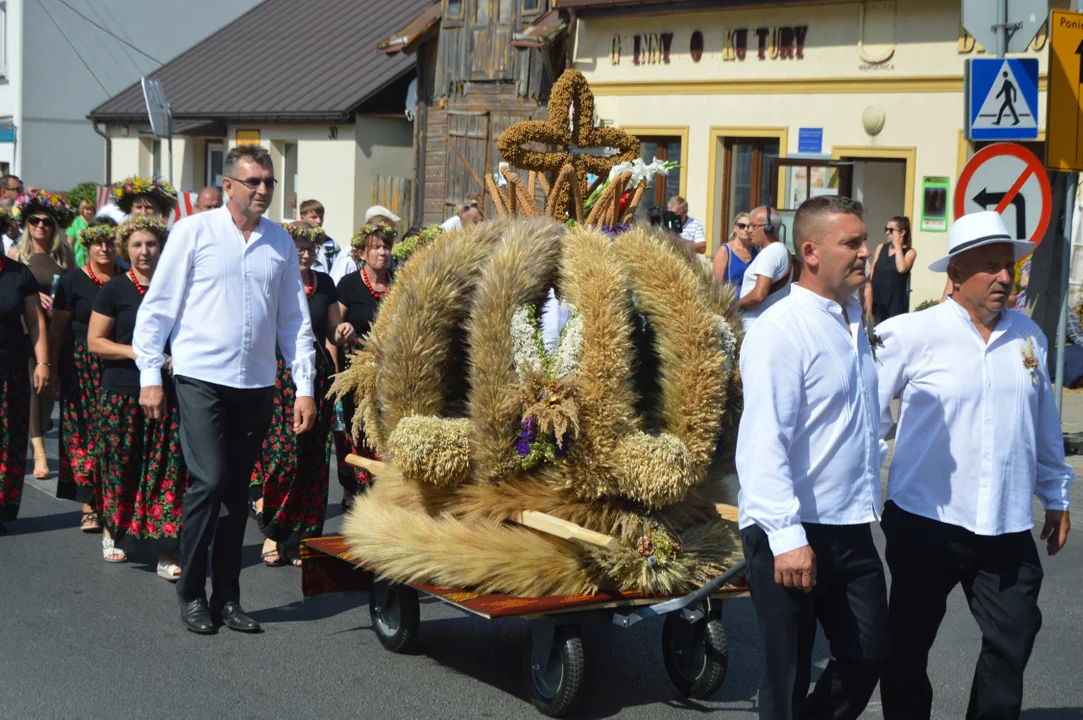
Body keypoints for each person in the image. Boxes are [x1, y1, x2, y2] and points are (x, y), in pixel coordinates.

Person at [875, 210, 1074, 720]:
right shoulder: (910, 334)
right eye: (991, 267)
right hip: (926, 520)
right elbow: (868, 421)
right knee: (906, 648)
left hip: (1004, 524)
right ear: (957, 274)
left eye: (1009, 267)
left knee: (1014, 637)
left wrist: (1056, 496)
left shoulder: (1030, 338)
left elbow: (1044, 425)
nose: (1006, 278)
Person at [133, 144, 316, 635]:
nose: (262, 191)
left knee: (238, 494)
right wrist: (151, 376)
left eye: (269, 183)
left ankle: (228, 598)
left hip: (255, 383)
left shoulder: (278, 242)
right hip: (199, 378)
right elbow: (158, 308)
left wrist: (304, 387)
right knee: (209, 482)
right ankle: (191, 592)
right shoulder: (194, 231)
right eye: (253, 181)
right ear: (229, 185)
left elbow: (294, 322)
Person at [736, 195, 885, 720]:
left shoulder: (851, 322)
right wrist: (787, 537)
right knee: (788, 674)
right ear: (811, 252)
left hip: (850, 527)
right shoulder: (781, 330)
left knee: (868, 654)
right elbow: (763, 442)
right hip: (790, 531)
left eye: (866, 240)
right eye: (853, 242)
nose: (868, 251)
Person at [87, 216, 188, 578]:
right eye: (136, 245)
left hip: (170, 394)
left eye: (151, 244)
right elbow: (95, 342)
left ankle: (164, 551)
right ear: (124, 250)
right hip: (122, 394)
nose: (144, 252)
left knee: (167, 471)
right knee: (122, 466)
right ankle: (113, 530)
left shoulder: (177, 287)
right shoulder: (114, 289)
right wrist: (140, 353)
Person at [251, 221, 355, 567]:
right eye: (298, 246)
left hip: (317, 373)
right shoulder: (276, 278)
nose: (305, 253)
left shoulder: (324, 283)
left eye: (310, 248)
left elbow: (330, 333)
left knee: (312, 457)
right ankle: (273, 533)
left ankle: (303, 537)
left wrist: (341, 332)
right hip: (278, 371)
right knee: (281, 455)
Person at [50, 218, 120, 533]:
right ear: (87, 245)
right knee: (83, 433)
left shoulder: (129, 278)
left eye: (109, 242)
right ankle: (89, 504)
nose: (104, 248)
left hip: (119, 365)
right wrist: (49, 368)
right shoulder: (71, 281)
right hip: (80, 365)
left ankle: (116, 502)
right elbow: (57, 329)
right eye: (97, 242)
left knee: (116, 433)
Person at [7, 190, 75, 480]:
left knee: (49, 387)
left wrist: (58, 301)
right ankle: (38, 451)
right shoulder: (16, 255)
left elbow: (72, 286)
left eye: (46, 222)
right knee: (36, 384)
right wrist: (36, 298)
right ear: (26, 224)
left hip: (58, 326)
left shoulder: (64, 253)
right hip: (28, 328)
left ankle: (42, 427)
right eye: (34, 221)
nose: (40, 227)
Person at [334, 220, 394, 509]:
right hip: (356, 369)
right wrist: (337, 370)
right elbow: (336, 327)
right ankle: (351, 485)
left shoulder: (398, 282)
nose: (383, 252)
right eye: (377, 247)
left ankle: (379, 486)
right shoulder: (349, 284)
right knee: (353, 431)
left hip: (388, 369)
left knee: (381, 429)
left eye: (386, 247)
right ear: (363, 253)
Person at [0, 252, 50, 534]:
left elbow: (35, 321)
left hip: (12, 368)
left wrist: (42, 362)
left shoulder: (20, 274)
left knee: (8, 442)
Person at [738, 206, 792, 330]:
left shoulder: (770, 252)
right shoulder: (780, 250)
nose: (749, 230)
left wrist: (734, 307)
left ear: (768, 228)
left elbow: (758, 295)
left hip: (756, 326)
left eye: (753, 226)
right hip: (765, 324)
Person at [864, 215, 916, 323]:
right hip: (876, 298)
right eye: (886, 229)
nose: (887, 233)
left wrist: (897, 245)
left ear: (902, 232)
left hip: (894, 302)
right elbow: (873, 271)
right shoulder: (881, 247)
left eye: (891, 230)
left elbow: (901, 268)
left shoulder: (910, 252)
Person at [712, 211, 757, 296]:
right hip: (731, 303)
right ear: (735, 228)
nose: (745, 229)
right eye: (742, 226)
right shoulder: (724, 251)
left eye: (749, 226)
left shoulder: (755, 252)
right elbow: (717, 285)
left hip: (750, 303)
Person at [66, 200, 97, 268]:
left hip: (93, 257)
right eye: (87, 209)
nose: (89, 211)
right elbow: (69, 242)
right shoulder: (76, 222)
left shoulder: (96, 223)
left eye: (91, 209)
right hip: (78, 258)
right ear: (82, 210)